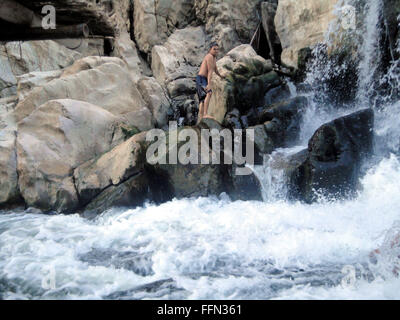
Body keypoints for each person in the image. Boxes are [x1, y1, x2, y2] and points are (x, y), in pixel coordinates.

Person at [196, 42, 225, 124]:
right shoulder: (209, 56)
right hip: (202, 78)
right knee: (209, 93)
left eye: (217, 49)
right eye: (214, 49)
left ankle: (201, 119)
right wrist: (209, 84)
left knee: (202, 99)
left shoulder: (213, 58)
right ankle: (205, 114)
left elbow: (215, 70)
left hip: (200, 79)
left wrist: (220, 76)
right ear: (210, 49)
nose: (216, 51)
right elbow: (210, 71)